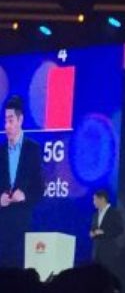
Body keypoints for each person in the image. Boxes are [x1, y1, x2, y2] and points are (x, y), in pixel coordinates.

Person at [1, 95, 44, 268]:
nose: (7, 126)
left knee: (20, 270)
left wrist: (25, 196)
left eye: (11, 120)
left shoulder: (32, 149)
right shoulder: (1, 151)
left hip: (24, 221)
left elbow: (39, 187)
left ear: (20, 120)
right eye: (5, 121)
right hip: (3, 221)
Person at [89, 189, 124, 267]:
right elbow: (93, 228)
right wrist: (92, 233)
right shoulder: (95, 215)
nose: (93, 202)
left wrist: (104, 232)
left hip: (109, 251)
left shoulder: (114, 213)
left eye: (95, 199)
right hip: (96, 252)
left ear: (102, 199)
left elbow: (120, 229)